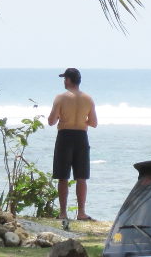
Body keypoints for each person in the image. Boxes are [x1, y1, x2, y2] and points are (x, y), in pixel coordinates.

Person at [48, 67, 98, 221]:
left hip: (65, 136)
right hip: (81, 136)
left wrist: (64, 118)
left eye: (65, 78)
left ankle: (63, 213)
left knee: (63, 177)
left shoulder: (61, 98)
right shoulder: (88, 99)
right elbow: (94, 123)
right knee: (81, 177)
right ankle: (81, 212)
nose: (64, 81)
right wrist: (82, 120)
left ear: (68, 80)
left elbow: (51, 121)